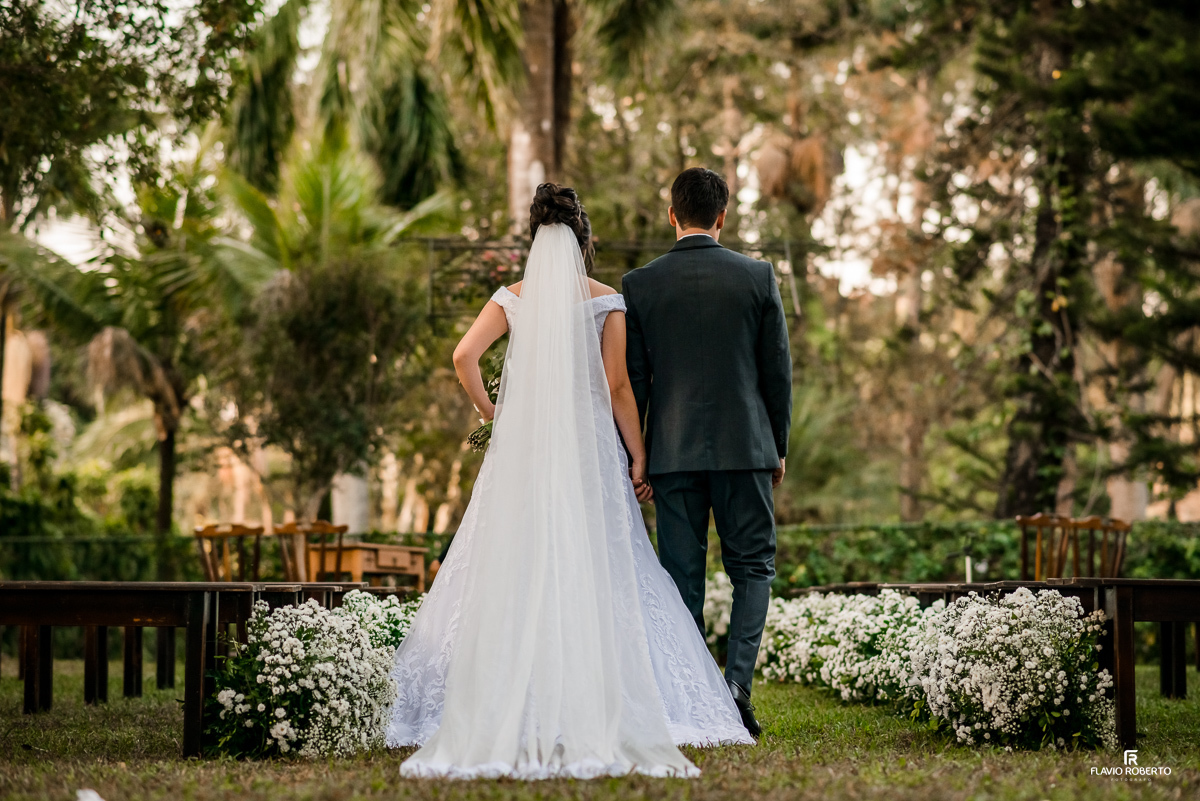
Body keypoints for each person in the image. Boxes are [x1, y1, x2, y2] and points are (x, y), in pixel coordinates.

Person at [386, 183, 752, 780]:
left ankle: (507, 695)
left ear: (535, 238)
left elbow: (462, 357)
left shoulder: (511, 297)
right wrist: (638, 456)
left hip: (523, 456)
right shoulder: (605, 300)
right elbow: (617, 389)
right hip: (589, 456)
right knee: (600, 563)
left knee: (513, 565)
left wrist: (493, 416)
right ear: (586, 239)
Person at [621, 167, 793, 737]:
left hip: (670, 454)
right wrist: (778, 446)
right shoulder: (758, 276)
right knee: (752, 567)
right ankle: (736, 685)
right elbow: (777, 374)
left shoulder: (639, 285)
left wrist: (638, 455)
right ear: (723, 216)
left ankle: (693, 698)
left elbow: (636, 380)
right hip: (747, 448)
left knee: (680, 576)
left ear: (672, 214)